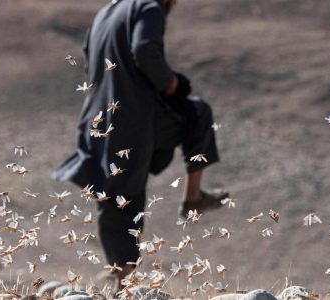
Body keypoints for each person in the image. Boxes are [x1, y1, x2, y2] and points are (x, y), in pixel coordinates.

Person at [52, 0, 228, 285]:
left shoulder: (106, 12)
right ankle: (193, 197)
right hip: (132, 119)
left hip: (98, 120)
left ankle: (122, 280)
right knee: (198, 112)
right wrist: (170, 84)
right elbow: (144, 50)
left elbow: (91, 62)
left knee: (114, 198)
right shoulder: (148, 8)